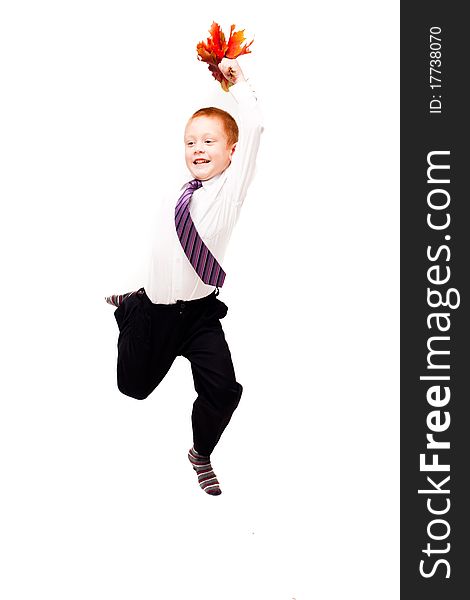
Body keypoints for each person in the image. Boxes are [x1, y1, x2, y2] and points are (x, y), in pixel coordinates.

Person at [106, 57, 263, 495]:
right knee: (132, 389)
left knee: (225, 390)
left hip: (197, 317)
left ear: (231, 154)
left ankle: (200, 453)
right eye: (191, 141)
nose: (199, 148)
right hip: (155, 311)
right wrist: (216, 89)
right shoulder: (180, 188)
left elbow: (251, 129)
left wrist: (239, 84)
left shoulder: (229, 193)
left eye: (210, 142)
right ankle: (131, 306)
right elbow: (205, 123)